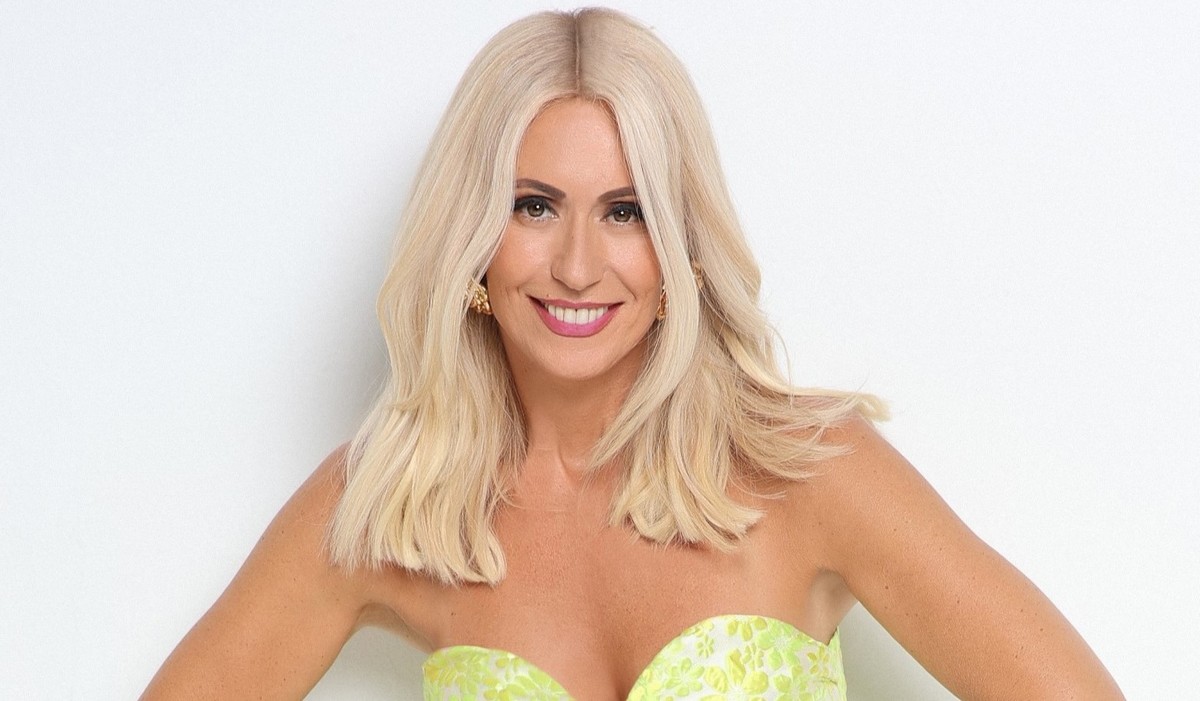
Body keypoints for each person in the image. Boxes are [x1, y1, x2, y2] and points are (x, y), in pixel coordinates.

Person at [142, 8, 1123, 700]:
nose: (578, 265)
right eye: (533, 206)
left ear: (681, 247)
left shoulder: (809, 471)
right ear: (472, 240)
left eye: (626, 211)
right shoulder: (391, 505)